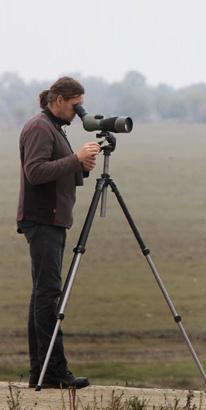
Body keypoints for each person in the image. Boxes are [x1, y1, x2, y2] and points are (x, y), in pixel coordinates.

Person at [17, 76, 100, 389]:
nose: (79, 111)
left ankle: (42, 371)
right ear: (58, 99)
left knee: (43, 293)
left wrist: (82, 165)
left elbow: (60, 170)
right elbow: (35, 172)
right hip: (43, 219)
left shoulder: (54, 128)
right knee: (49, 295)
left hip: (50, 219)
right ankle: (53, 372)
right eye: (76, 104)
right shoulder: (40, 127)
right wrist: (75, 158)